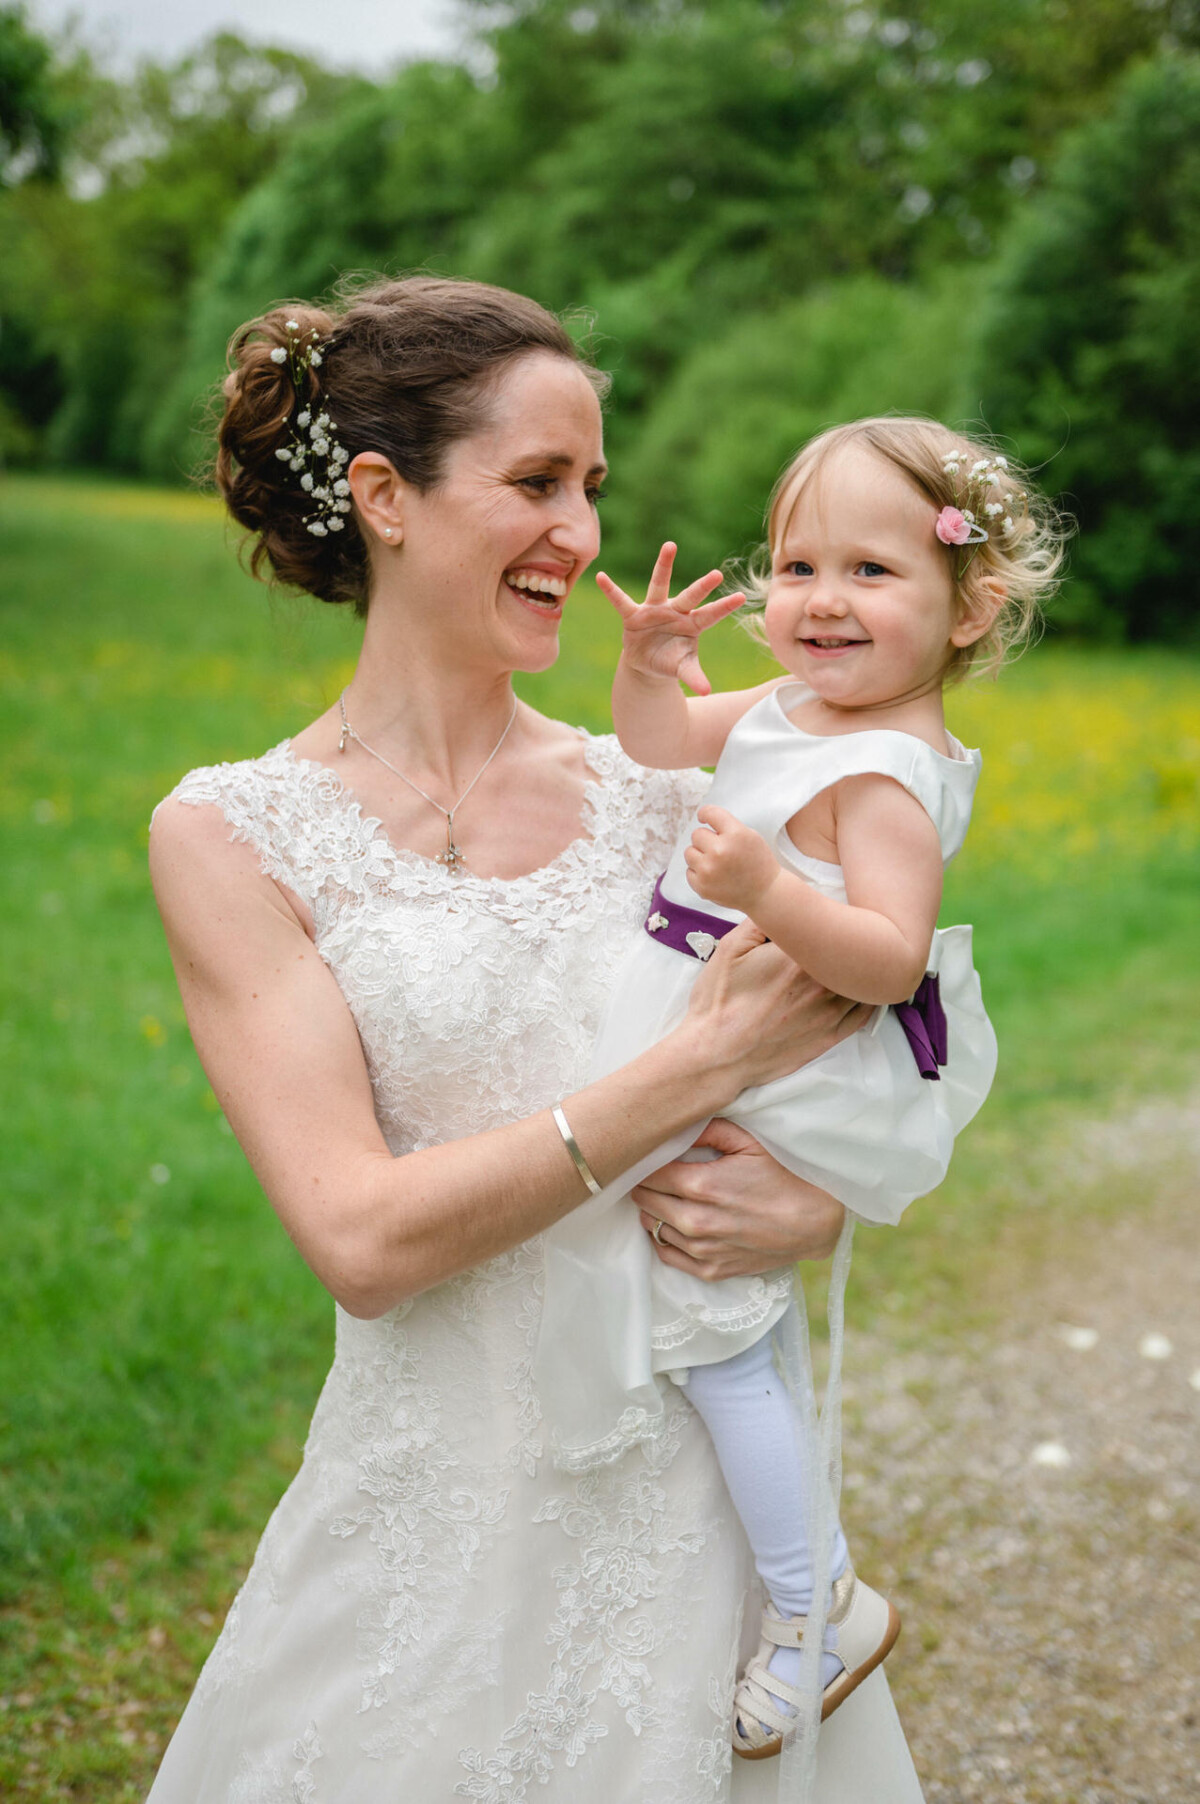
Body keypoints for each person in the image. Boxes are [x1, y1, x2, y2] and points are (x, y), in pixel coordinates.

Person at [144, 277, 927, 1802]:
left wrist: (830, 1196)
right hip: (426, 1494)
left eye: (592, 487)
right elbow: (361, 1240)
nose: (580, 533)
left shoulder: (661, 790)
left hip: (687, 1506)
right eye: (536, 484)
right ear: (382, 495)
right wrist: (694, 1075)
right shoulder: (233, 835)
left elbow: (901, 1020)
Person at [535, 419, 1065, 1767]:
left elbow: (887, 961)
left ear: (969, 608)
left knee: (706, 1322)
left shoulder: (882, 771)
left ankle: (814, 1593)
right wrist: (651, 666)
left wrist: (767, 890)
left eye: (873, 572)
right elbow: (660, 746)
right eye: (795, 562)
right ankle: (786, 1561)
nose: (821, 600)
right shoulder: (796, 712)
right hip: (739, 1022)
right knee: (719, 1314)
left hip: (802, 1056)